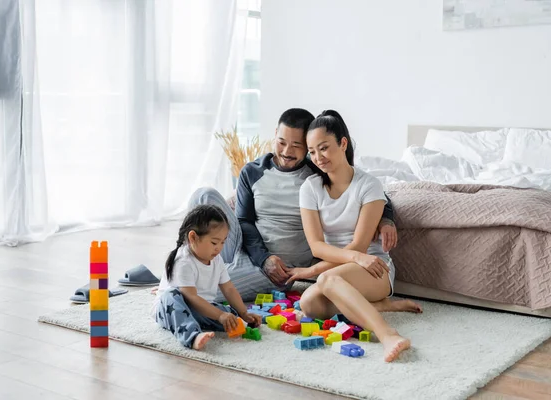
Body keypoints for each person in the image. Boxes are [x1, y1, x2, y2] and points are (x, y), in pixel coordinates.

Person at [188, 108, 397, 301]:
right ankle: (188, 266)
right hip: (248, 249)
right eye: (281, 142)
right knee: (203, 195)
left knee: (202, 291)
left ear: (308, 146)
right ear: (275, 135)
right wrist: (263, 257)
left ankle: (198, 277)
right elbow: (244, 220)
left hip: (281, 267)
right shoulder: (252, 171)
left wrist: (386, 218)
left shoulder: (317, 171)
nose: (287, 151)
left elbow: (364, 188)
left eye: (297, 145)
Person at [291, 110, 422, 362]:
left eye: (324, 148)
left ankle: (387, 334)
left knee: (327, 280)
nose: (318, 157)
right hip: (345, 266)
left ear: (343, 144)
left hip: (374, 268)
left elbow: (361, 246)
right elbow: (317, 246)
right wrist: (341, 261)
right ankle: (381, 306)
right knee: (309, 303)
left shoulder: (369, 185)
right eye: (312, 151)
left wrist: (314, 271)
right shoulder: (309, 189)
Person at [154, 204, 262, 350]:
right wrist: (219, 315)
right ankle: (192, 336)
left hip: (200, 307)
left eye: (223, 242)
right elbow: (191, 297)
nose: (219, 248)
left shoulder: (217, 259)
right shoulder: (183, 261)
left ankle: (237, 321)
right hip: (169, 310)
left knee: (230, 314)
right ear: (193, 237)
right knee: (171, 295)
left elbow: (229, 289)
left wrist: (243, 313)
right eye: (214, 242)